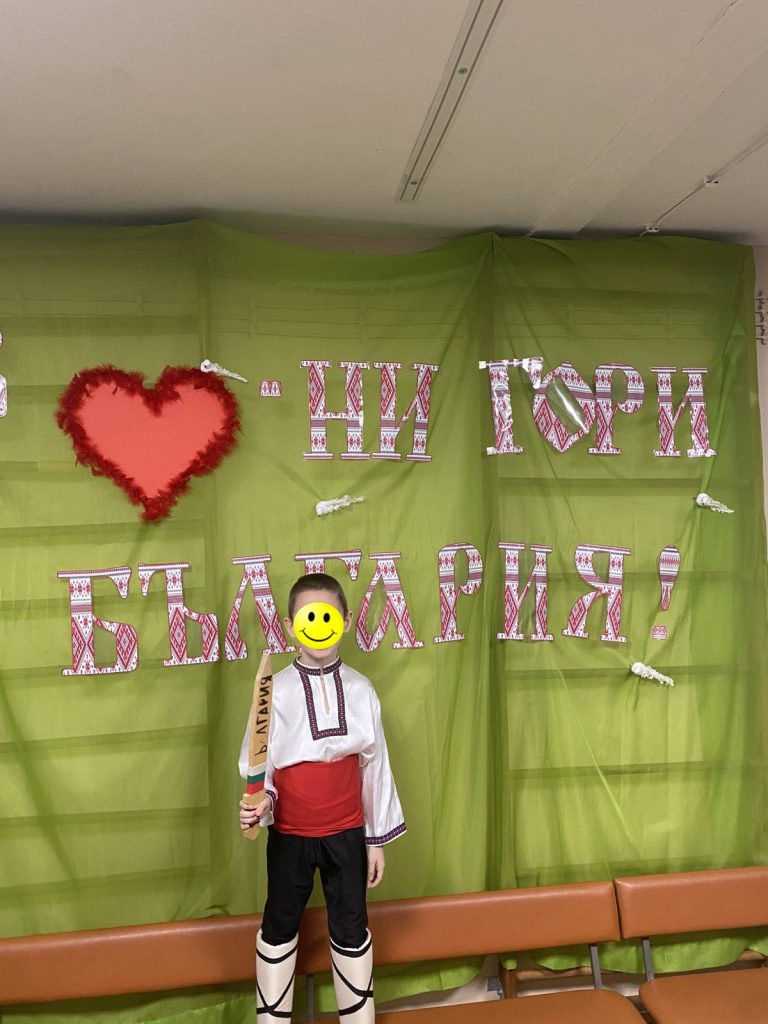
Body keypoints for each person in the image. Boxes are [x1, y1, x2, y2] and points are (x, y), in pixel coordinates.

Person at [238, 572, 406, 1023]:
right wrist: (262, 802)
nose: (318, 625)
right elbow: (260, 766)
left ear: (346, 622)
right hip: (290, 836)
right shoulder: (275, 692)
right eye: (308, 617)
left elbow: (375, 767)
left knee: (351, 926)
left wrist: (375, 840)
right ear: (290, 626)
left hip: (347, 835)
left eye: (328, 616)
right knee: (279, 925)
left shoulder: (361, 690)